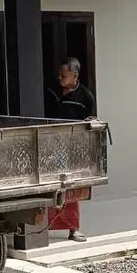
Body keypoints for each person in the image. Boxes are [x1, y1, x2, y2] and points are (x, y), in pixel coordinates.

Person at [45, 58, 96, 242]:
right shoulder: (52, 91)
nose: (60, 78)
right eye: (59, 75)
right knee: (50, 187)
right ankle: (43, 228)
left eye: (63, 75)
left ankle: (73, 229)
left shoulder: (86, 97)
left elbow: (90, 120)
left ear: (75, 75)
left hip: (73, 148)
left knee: (71, 189)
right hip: (51, 146)